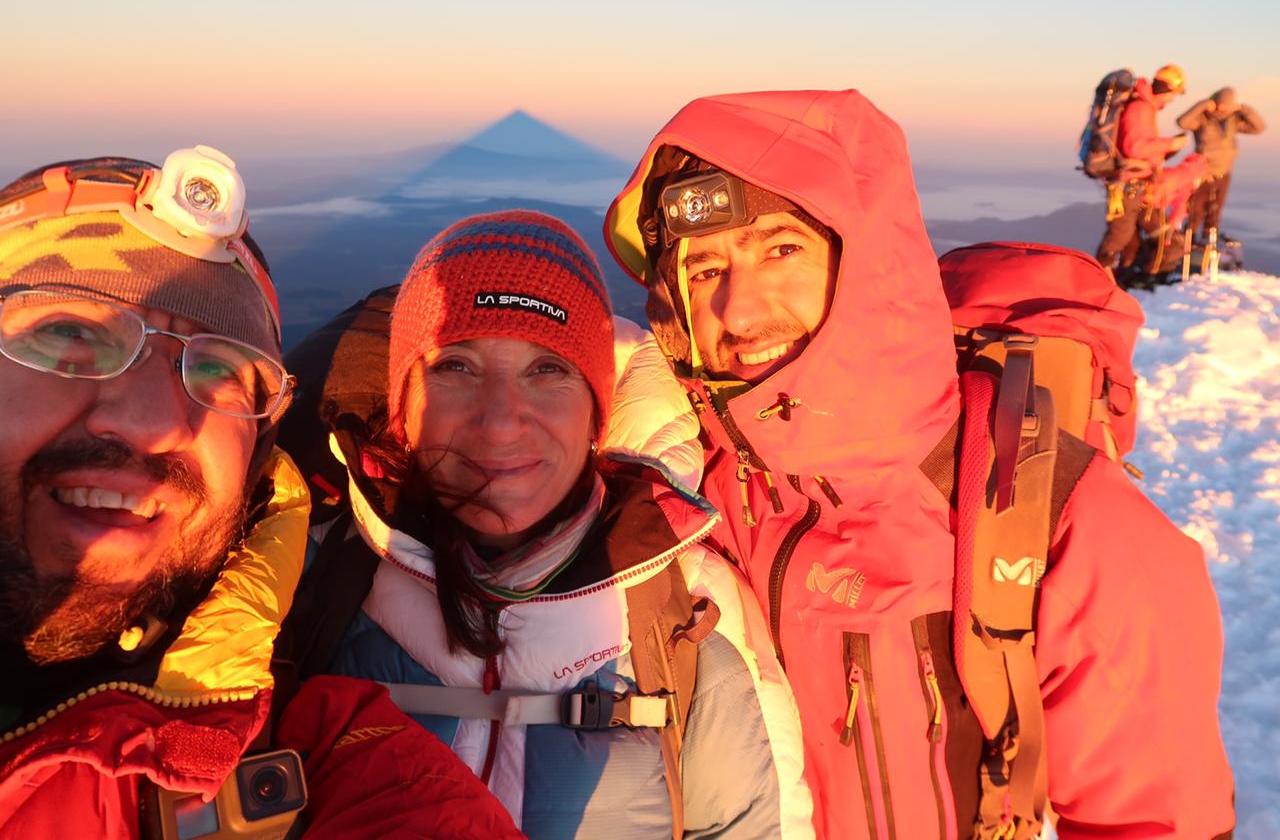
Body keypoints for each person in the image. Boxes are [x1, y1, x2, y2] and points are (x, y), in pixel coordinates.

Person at [604, 90, 1235, 838]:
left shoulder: (1068, 523)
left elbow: (1157, 819)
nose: (740, 310)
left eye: (782, 249)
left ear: (864, 261)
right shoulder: (674, 491)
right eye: (704, 269)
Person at [0, 148, 520, 839]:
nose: (154, 420)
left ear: (255, 463)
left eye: (218, 366)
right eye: (69, 333)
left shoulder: (323, 761)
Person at [284, 209, 813, 839]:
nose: (503, 420)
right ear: (402, 408)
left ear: (596, 417)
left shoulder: (687, 603)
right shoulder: (310, 577)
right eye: (456, 366)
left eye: (549, 369)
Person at [1094, 64, 1190, 273]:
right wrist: (1170, 144)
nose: (1172, 100)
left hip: (1135, 183)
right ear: (1167, 89)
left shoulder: (1144, 105)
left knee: (1131, 239)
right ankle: (1099, 277)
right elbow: (1134, 146)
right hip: (1130, 184)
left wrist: (1165, 150)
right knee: (1119, 236)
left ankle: (1123, 281)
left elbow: (1141, 145)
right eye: (1173, 94)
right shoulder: (1141, 107)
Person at [1177, 86, 1267, 242]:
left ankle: (1208, 247)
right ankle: (1185, 247)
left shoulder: (1234, 120)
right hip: (1203, 173)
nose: (1225, 108)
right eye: (1223, 104)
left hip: (1224, 173)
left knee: (1214, 214)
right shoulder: (1203, 118)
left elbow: (1259, 128)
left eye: (1229, 105)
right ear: (1216, 102)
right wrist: (1203, 104)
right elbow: (1182, 122)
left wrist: (1243, 109)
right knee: (1195, 212)